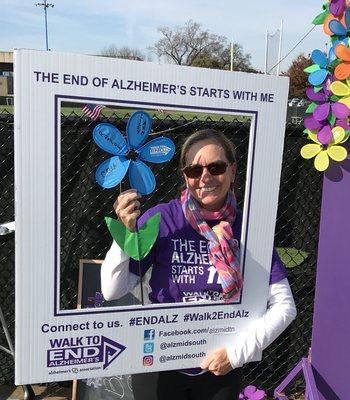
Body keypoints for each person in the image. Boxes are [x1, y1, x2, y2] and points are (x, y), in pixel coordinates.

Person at [101, 129, 297, 400]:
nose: (204, 177)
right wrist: (124, 234)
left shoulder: (251, 228)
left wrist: (236, 353)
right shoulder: (162, 219)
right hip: (160, 360)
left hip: (219, 366)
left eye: (215, 167)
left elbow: (285, 306)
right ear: (185, 176)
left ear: (232, 171)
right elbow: (113, 290)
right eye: (194, 170)